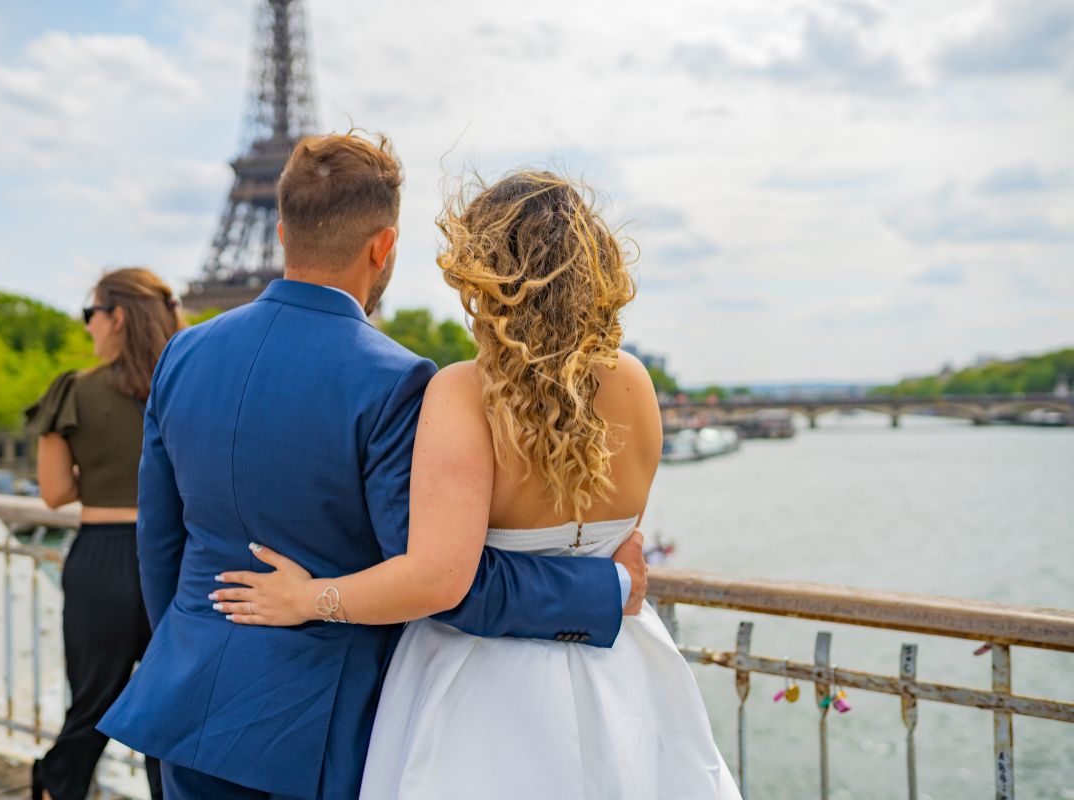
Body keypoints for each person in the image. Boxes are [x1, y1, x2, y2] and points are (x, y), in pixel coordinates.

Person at [96, 131, 648, 800]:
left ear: (280, 231)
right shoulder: (395, 379)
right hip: (317, 728)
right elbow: (441, 575)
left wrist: (189, 646)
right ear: (382, 246)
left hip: (188, 700)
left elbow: (159, 544)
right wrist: (605, 590)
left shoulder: (182, 356)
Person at [211, 170, 742, 798]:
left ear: (482, 271)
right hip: (623, 664)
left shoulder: (466, 390)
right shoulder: (635, 382)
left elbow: (439, 577)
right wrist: (617, 579)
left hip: (485, 686)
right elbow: (607, 538)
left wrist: (308, 600)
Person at [25, 267, 185, 800]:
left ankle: (55, 790)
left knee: (91, 707)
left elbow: (52, 493)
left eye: (90, 313)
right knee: (168, 715)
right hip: (178, 561)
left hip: (101, 562)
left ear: (115, 317)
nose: (87, 325)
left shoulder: (75, 390)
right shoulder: (186, 384)